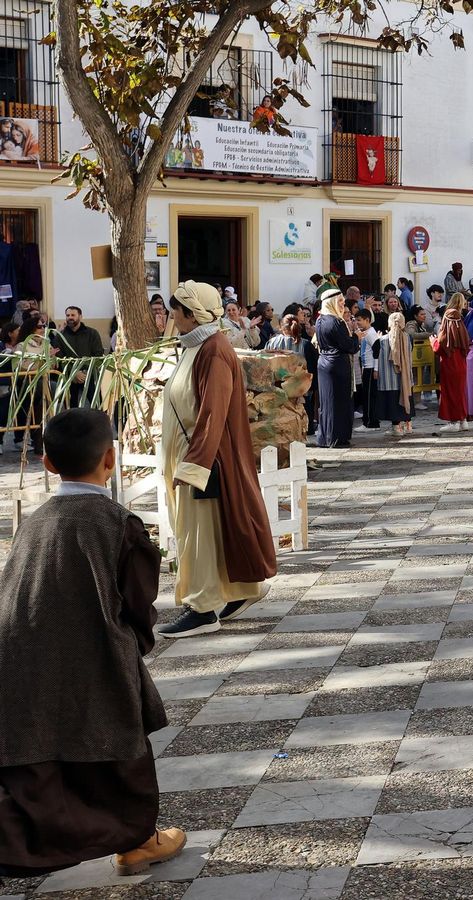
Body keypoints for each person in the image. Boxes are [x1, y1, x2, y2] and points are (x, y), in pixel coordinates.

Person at [0, 409, 184, 878]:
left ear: (47, 463)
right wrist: (130, 648)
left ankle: (22, 844)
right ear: (110, 458)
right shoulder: (118, 523)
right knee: (116, 741)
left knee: (39, 750)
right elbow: (137, 604)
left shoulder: (33, 523)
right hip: (92, 653)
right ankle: (137, 841)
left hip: (19, 658)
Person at [155, 282, 277, 638]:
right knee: (211, 530)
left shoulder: (213, 350)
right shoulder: (198, 345)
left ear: (192, 315)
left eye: (176, 311)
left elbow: (213, 412)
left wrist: (195, 464)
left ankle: (202, 607)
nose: (172, 317)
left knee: (197, 535)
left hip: (204, 460)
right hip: (196, 456)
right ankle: (243, 589)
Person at [314, 283, 358, 449]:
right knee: (339, 402)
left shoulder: (320, 320)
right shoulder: (336, 322)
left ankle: (326, 437)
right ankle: (336, 437)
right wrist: (356, 336)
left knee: (327, 402)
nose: (342, 305)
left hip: (324, 364)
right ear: (331, 303)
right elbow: (349, 346)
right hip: (337, 365)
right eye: (339, 302)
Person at [434, 293, 471, 433]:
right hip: (461, 362)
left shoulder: (449, 318)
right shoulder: (460, 322)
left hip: (450, 362)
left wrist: (433, 341)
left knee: (450, 392)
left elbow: (442, 344)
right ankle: (463, 420)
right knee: (460, 392)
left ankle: (453, 421)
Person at [373, 311, 413, 436]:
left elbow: (375, 354)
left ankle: (396, 427)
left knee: (392, 402)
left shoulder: (381, 340)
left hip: (388, 379)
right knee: (405, 398)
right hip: (405, 378)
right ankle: (408, 425)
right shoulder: (408, 338)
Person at [353, 309, 381, 431]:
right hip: (366, 368)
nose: (357, 323)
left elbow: (377, 351)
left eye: (359, 320)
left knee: (369, 397)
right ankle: (370, 421)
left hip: (370, 368)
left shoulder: (370, 334)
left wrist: (376, 369)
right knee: (367, 396)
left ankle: (370, 423)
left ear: (367, 320)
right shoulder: (365, 333)